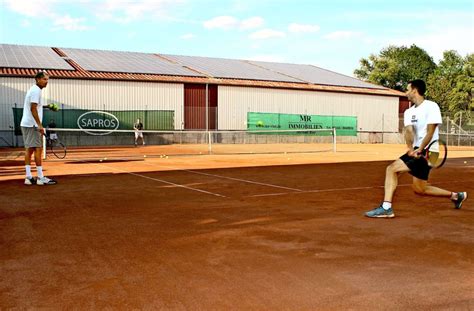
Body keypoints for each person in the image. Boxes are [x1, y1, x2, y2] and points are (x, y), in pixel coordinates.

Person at [365, 79, 467, 218]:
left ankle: (386, 207)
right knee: (420, 189)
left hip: (430, 151)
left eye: (407, 89)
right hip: (417, 150)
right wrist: (409, 147)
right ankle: (456, 196)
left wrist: (421, 149)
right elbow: (408, 131)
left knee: (391, 169)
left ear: (414, 90)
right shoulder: (408, 112)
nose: (405, 92)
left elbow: (430, 132)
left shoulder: (431, 106)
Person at [20, 71, 57, 185]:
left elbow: (35, 105)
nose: (47, 82)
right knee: (38, 149)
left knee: (29, 150)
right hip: (32, 125)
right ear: (38, 79)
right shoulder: (36, 90)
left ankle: (29, 177)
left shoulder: (34, 89)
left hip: (27, 124)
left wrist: (47, 106)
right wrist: (39, 125)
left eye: (47, 80)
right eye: (45, 79)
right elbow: (33, 108)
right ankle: (40, 178)